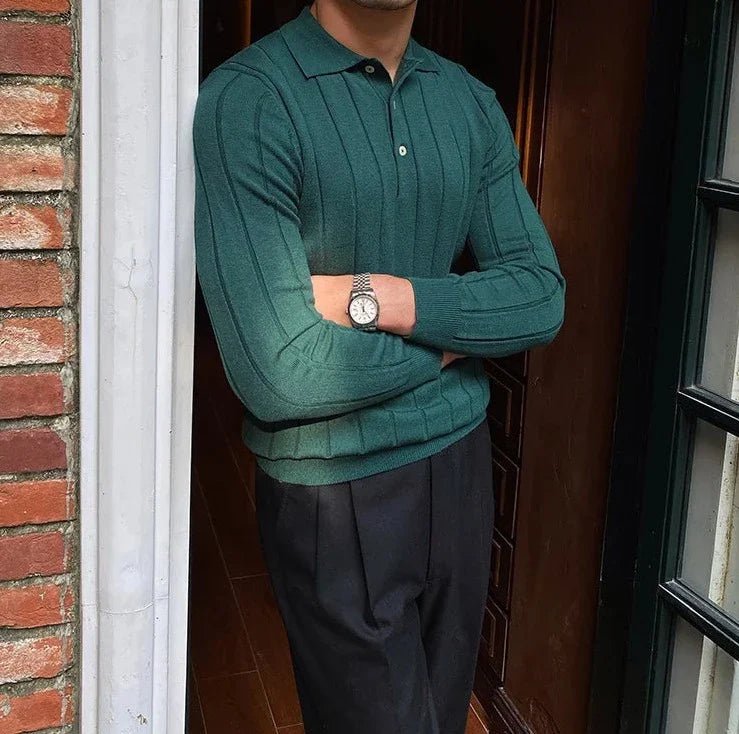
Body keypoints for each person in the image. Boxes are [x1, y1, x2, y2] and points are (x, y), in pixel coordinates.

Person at [191, 1, 566, 732]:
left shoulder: (468, 101)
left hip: (460, 469)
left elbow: (539, 297)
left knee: (440, 715)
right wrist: (461, 339)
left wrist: (384, 297)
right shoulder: (251, 100)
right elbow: (280, 371)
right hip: (334, 487)